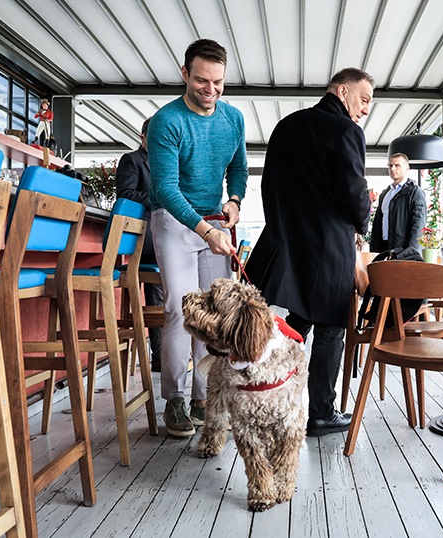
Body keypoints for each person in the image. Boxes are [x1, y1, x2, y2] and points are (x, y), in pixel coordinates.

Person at [245, 68, 373, 437]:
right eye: (363, 100)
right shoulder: (347, 131)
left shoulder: (286, 126)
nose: (364, 110)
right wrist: (361, 223)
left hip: (288, 240)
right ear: (342, 91)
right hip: (329, 245)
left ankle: (272, 398)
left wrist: (285, 225)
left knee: (295, 322)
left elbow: (269, 184)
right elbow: (353, 191)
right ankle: (320, 412)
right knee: (332, 326)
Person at [147, 39, 247, 438]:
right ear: (185, 74)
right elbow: (168, 190)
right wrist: (205, 231)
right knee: (178, 309)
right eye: (202, 80)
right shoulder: (166, 122)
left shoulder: (233, 119)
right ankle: (173, 398)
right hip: (174, 220)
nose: (211, 89)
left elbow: (239, 167)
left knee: (216, 314)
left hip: (214, 220)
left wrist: (235, 200)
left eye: (218, 82)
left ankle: (203, 398)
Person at [116, 116, 162, 373]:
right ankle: (160, 355)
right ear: (143, 137)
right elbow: (125, 194)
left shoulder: (163, 163)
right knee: (161, 291)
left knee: (162, 294)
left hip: (157, 237)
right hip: (143, 240)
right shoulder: (132, 160)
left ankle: (163, 355)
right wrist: (159, 198)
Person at [369, 152, 426, 254]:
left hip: (402, 250)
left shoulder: (415, 192)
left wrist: (411, 253)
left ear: (407, 168)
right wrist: (373, 250)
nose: (392, 169)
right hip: (383, 249)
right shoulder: (385, 194)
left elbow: (418, 225)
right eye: (390, 165)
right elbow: (377, 224)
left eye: (397, 165)